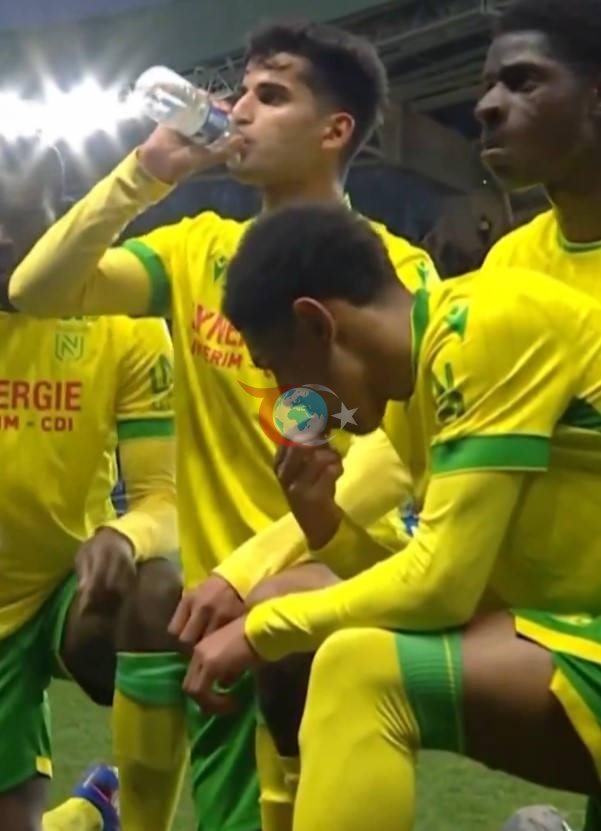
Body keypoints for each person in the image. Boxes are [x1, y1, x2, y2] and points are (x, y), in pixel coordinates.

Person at [6, 21, 438, 831]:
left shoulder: (393, 273)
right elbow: (37, 289)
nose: (238, 111)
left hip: (320, 588)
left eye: (269, 96)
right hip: (206, 605)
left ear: (333, 130)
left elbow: (392, 455)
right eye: (239, 93)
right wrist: (144, 172)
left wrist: (249, 570)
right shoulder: (198, 251)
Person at [180, 200, 601, 831]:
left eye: (277, 370)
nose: (288, 400)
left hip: (580, 633)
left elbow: (440, 589)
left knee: (359, 667)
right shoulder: (411, 393)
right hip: (572, 631)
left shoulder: (484, 326)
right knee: (329, 631)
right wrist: (325, 527)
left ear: (317, 324)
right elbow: (452, 592)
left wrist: (259, 631)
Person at [0, 136, 183, 831]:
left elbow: (163, 496)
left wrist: (125, 533)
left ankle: (142, 819)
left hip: (64, 591)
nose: (4, 238)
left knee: (157, 593)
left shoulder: (122, 323)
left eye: (21, 219)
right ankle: (88, 814)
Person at [475, 2, 601, 826]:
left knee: (368, 673)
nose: (487, 105)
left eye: (522, 82)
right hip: (539, 622)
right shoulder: (508, 265)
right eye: (486, 85)